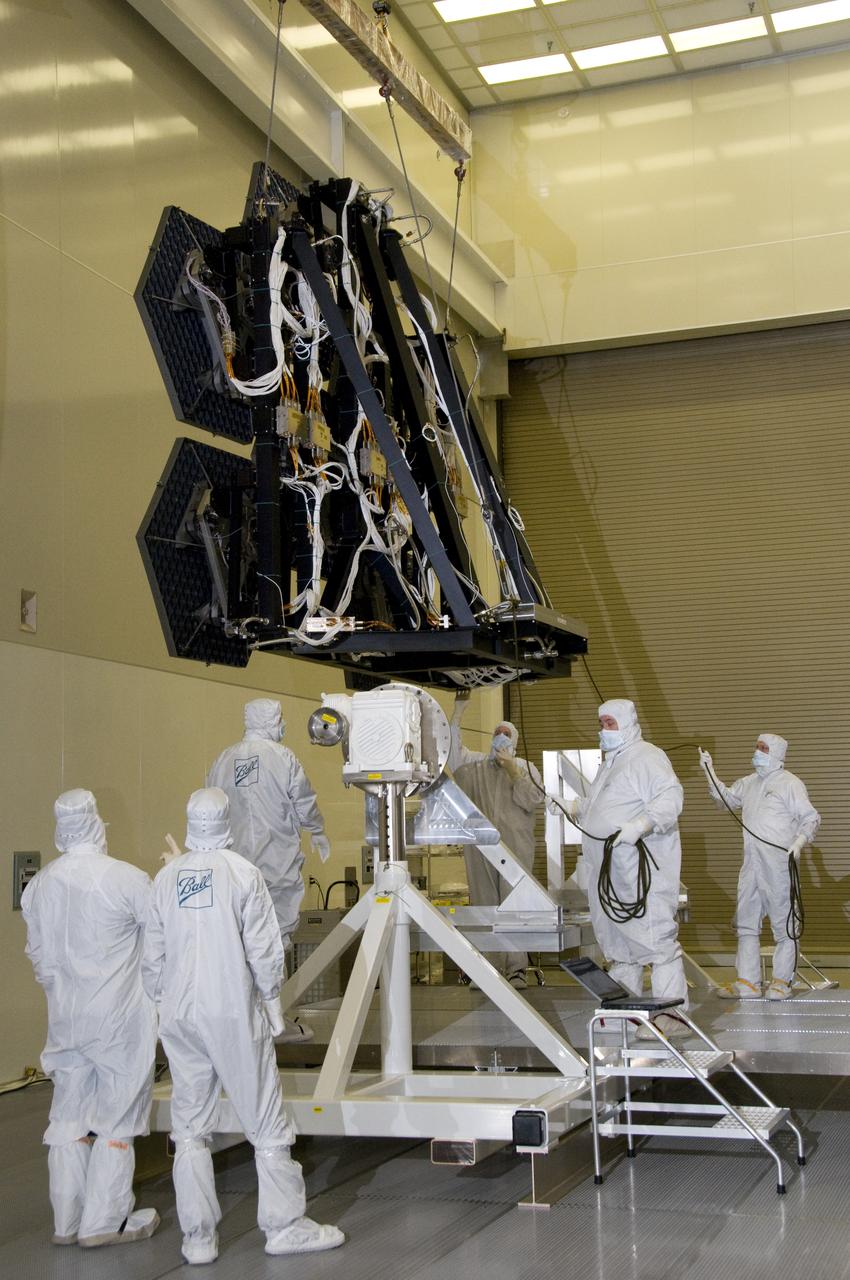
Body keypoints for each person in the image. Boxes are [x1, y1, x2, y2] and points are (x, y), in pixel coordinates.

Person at [142, 788, 344, 1265]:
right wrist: (273, 1003)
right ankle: (284, 1225)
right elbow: (264, 948)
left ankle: (197, 1238)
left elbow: (152, 954)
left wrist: (158, 1008)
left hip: (180, 1016)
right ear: (225, 821)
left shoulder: (166, 878)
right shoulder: (242, 873)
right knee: (266, 1120)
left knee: (189, 1125)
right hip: (231, 1011)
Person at [21, 789, 158, 1248]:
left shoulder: (39, 886)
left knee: (68, 1116)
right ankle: (103, 1222)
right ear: (96, 823)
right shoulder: (124, 879)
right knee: (117, 1117)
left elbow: (38, 957)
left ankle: (66, 1222)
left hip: (65, 1019)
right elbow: (164, 937)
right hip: (118, 1020)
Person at [207, 698, 330, 1041]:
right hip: (274, 868)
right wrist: (317, 831)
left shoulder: (222, 760)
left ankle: (242, 1019)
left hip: (231, 869)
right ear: (272, 720)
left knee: (236, 942)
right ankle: (268, 1021)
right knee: (273, 942)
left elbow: (209, 807)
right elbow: (304, 801)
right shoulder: (282, 758)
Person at [575, 699, 688, 1040]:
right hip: (610, 871)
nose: (603, 731)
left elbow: (671, 797)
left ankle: (673, 1016)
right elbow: (604, 805)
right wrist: (575, 807)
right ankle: (628, 1011)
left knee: (654, 939)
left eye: (610, 724)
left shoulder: (646, 756)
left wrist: (641, 824)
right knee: (619, 944)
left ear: (627, 723)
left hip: (639, 869)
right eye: (601, 724)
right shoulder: (612, 763)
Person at [699, 734, 820, 1001]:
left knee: (784, 922)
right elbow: (726, 800)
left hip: (778, 861)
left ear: (776, 752)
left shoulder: (790, 783)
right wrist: (709, 771)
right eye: (757, 747)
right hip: (751, 862)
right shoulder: (750, 782)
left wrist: (799, 843)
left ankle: (781, 981)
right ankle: (748, 982)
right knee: (746, 922)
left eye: (763, 748)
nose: (757, 752)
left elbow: (810, 817)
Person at [448, 694, 546, 987]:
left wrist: (513, 770)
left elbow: (533, 800)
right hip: (480, 848)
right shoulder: (475, 765)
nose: (500, 738)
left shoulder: (526, 768)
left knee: (514, 908)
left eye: (506, 735)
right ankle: (488, 969)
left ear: (514, 741)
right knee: (484, 906)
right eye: (497, 734)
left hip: (515, 849)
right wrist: (457, 715)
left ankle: (516, 969)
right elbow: (452, 754)